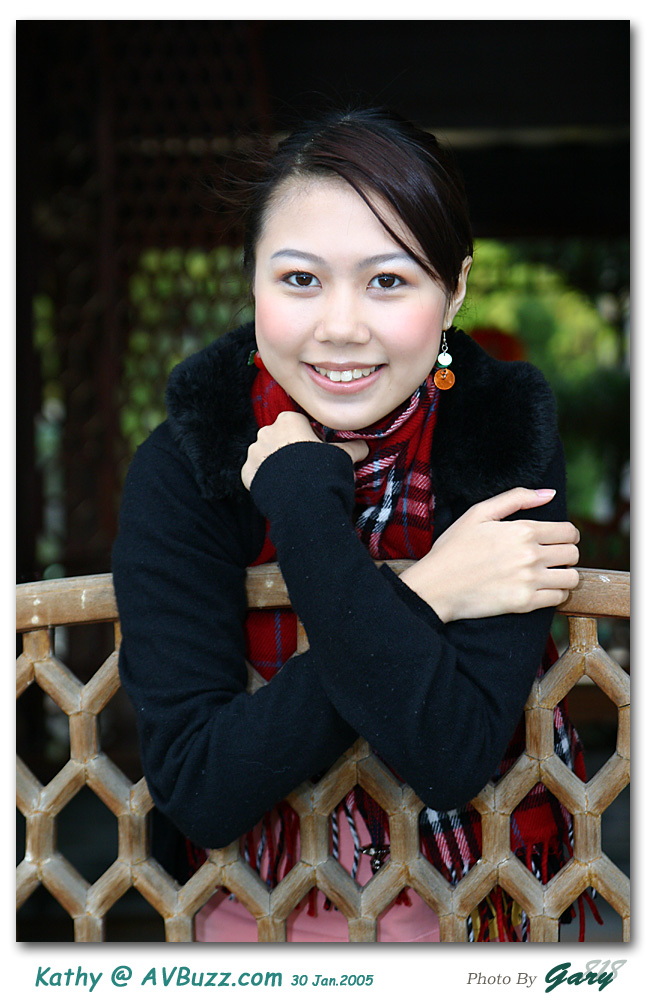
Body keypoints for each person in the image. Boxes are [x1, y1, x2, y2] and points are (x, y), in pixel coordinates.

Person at [112, 107, 589, 943]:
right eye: (300, 280)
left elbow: (451, 754)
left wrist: (302, 510)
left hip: (486, 903)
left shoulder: (501, 430)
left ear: (455, 291)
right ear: (252, 281)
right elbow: (200, 785)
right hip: (253, 912)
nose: (339, 327)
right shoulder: (192, 456)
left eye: (388, 281)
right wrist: (427, 588)